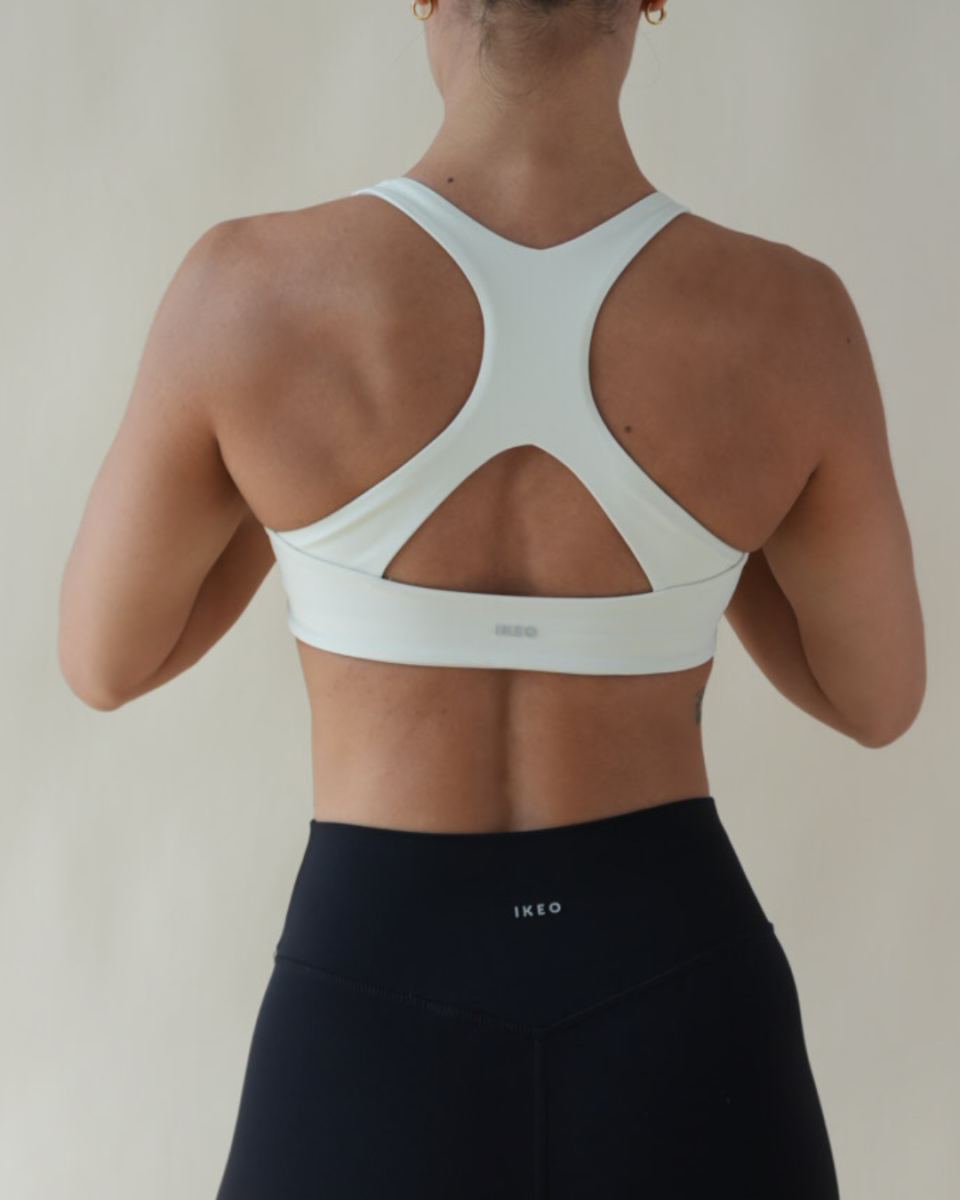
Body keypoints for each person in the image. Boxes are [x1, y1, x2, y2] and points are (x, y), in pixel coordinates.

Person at [58, 1, 926, 1196]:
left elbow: (107, 661)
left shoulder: (249, 292)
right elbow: (874, 695)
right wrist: (697, 537)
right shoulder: (789, 317)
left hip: (371, 994)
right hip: (680, 994)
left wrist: (301, 492)